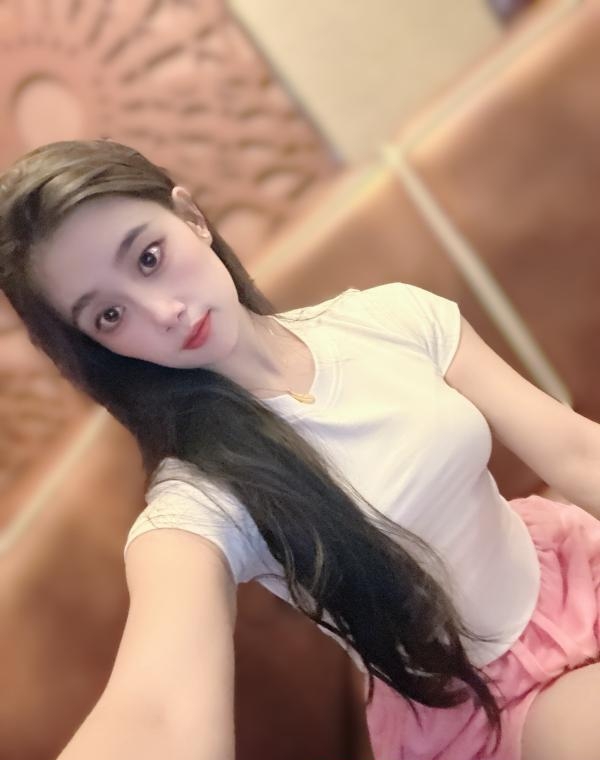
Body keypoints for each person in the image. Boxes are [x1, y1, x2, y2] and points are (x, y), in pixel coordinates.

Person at [1, 139, 599, 760]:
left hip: (573, 574)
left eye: (149, 258)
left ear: (191, 218)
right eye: (109, 315)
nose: (163, 311)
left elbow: (577, 452)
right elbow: (156, 711)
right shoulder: (201, 501)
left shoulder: (390, 318)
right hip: (483, 709)